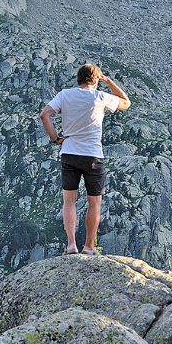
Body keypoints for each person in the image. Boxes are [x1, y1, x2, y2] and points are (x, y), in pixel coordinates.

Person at [38, 63, 130, 255]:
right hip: (93, 155)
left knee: (69, 201)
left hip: (69, 152)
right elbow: (125, 102)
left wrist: (55, 138)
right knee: (94, 202)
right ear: (95, 80)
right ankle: (89, 246)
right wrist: (108, 81)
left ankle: (71, 244)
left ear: (78, 79)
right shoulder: (100, 96)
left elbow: (44, 115)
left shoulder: (64, 95)